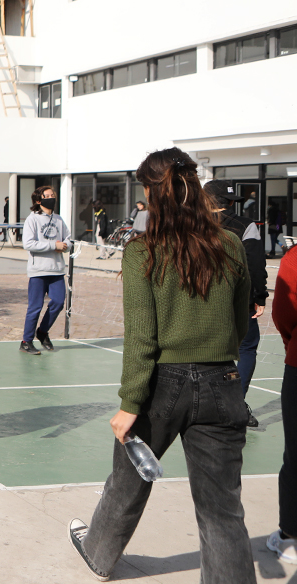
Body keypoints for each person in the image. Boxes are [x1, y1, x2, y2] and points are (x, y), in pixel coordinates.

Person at [68, 148, 252, 583]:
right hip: (222, 380)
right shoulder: (230, 245)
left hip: (161, 387)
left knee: (128, 480)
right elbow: (240, 322)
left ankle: (98, 553)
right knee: (222, 509)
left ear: (153, 195)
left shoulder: (141, 252)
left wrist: (130, 402)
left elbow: (142, 338)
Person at [204, 179, 269, 428]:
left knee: (207, 349)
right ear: (231, 202)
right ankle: (235, 404)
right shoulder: (245, 225)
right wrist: (259, 297)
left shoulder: (191, 224)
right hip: (237, 298)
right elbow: (255, 263)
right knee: (246, 348)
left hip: (199, 297)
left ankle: (205, 403)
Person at [268, 244, 297, 564]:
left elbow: (285, 313)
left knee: (296, 454)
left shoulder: (295, 258)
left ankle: (291, 534)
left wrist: (293, 342)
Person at [21, 185, 70, 355]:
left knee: (58, 302)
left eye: (53, 195)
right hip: (38, 271)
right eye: (47, 195)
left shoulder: (58, 219)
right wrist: (52, 245)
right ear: (39, 200)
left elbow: (68, 239)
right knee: (35, 307)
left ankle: (42, 332)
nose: (51, 197)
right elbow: (28, 244)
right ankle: (26, 341)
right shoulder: (32, 219)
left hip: (57, 270)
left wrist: (65, 246)